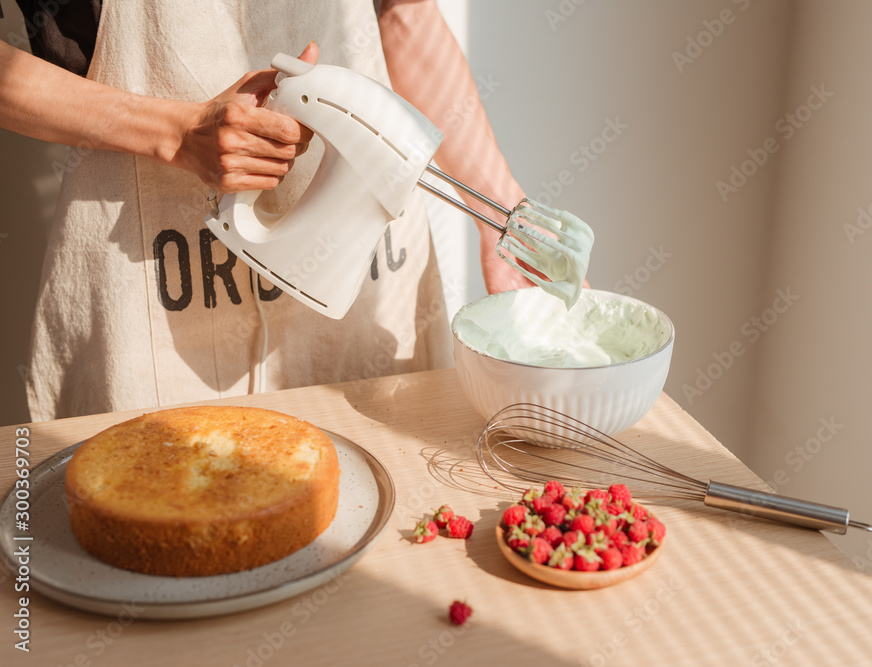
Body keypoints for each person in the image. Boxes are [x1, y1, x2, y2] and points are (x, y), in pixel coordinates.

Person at [0, 0, 533, 421]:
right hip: (149, 284)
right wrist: (178, 133)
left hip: (362, 282)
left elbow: (405, 12)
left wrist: (504, 218)